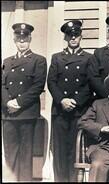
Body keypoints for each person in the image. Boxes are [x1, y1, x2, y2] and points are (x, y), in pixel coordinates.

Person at [47, 20, 93, 182]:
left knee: (75, 150)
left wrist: (75, 101)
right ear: (65, 38)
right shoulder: (57, 58)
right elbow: (51, 81)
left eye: (76, 35)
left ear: (81, 37)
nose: (73, 38)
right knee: (59, 150)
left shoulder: (88, 58)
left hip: (78, 110)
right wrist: (62, 100)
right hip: (60, 110)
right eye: (70, 35)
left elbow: (90, 84)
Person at [2, 23, 47, 181]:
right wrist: (8, 103)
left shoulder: (38, 60)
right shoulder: (6, 62)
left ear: (30, 40)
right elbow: (2, 85)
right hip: (8, 115)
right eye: (19, 39)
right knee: (10, 154)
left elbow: (38, 86)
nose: (22, 43)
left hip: (27, 113)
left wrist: (18, 103)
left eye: (25, 39)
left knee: (25, 154)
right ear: (14, 40)